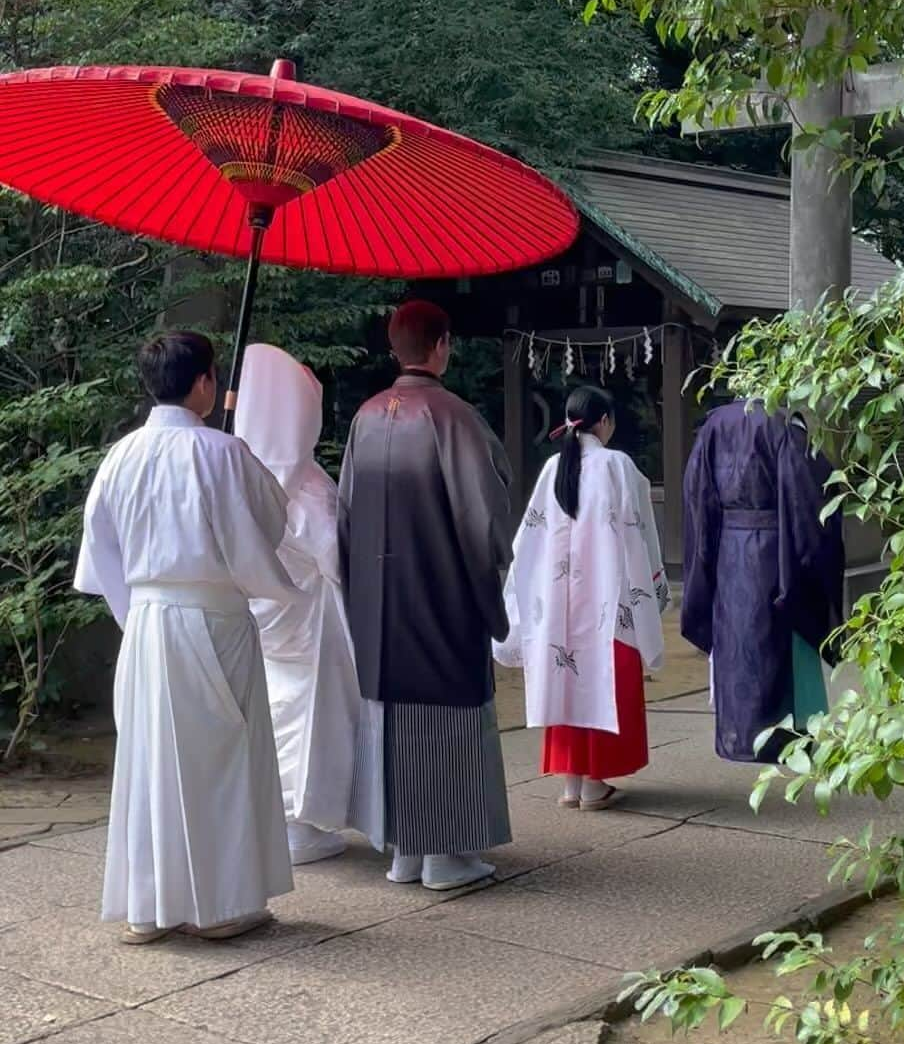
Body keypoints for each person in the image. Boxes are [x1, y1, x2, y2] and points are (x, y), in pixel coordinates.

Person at [74, 331, 296, 944]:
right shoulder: (222, 453)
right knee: (219, 758)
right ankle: (218, 906)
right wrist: (232, 450)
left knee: (150, 758)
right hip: (213, 617)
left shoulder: (120, 455)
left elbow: (102, 554)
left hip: (146, 623)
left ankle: (146, 908)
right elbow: (271, 519)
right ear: (204, 382)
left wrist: (137, 614)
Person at [337, 300, 513, 892]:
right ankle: (447, 856)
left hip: (378, 606)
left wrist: (357, 595)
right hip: (441, 594)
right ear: (440, 345)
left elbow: (345, 517)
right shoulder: (454, 417)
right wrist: (492, 596)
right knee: (446, 722)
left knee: (390, 722)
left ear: (395, 349)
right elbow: (484, 520)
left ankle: (404, 852)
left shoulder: (364, 418)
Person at [234, 344, 384, 865]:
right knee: (306, 713)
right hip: (308, 617)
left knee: (274, 706)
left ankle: (277, 818)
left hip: (261, 611)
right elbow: (335, 554)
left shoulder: (237, 470)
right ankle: (299, 822)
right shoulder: (300, 483)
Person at [495, 385, 668, 810]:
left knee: (564, 679)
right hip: (607, 600)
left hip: (559, 603)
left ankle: (571, 784)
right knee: (604, 682)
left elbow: (530, 538)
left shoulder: (554, 466)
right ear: (604, 421)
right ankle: (594, 782)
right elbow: (637, 531)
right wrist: (651, 585)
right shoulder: (617, 465)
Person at [681, 397, 845, 763]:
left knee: (737, 644)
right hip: (775, 552)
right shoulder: (783, 424)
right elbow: (810, 497)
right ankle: (788, 738)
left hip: (728, 552)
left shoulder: (713, 426)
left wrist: (706, 557)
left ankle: (737, 736)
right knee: (783, 638)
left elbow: (697, 496)